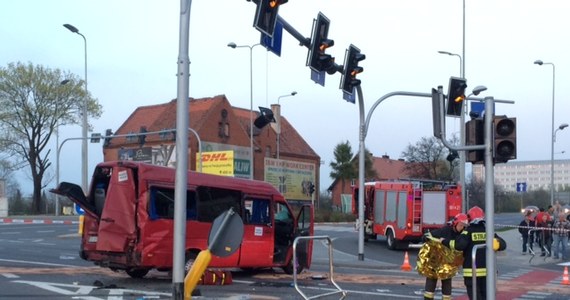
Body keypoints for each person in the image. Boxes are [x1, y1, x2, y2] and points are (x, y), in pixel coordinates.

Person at [455, 206, 507, 300]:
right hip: (487, 273)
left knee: (475, 297)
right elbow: (503, 244)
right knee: (485, 296)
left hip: (472, 272)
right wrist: (496, 243)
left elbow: (459, 245)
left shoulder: (468, 231)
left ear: (469, 218)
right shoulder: (488, 231)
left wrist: (447, 240)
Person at [421, 213, 469, 300]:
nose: (463, 228)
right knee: (431, 281)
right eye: (461, 225)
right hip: (436, 261)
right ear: (455, 224)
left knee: (447, 285)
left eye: (464, 226)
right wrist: (426, 237)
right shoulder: (446, 230)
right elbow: (429, 235)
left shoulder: (464, 234)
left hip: (448, 264)